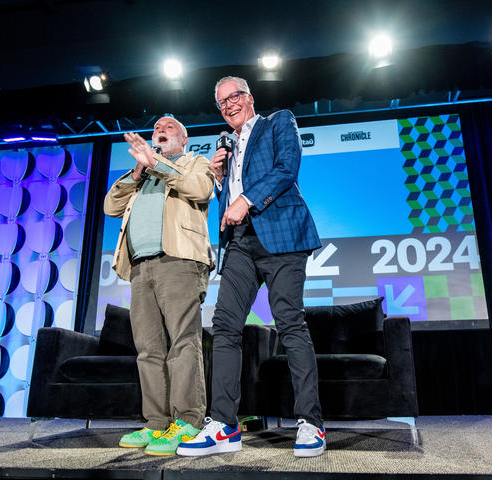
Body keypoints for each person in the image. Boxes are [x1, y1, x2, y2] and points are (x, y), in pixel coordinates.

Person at [177, 77, 326, 458]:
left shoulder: (278, 122)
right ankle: (225, 426)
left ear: (250, 98)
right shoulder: (224, 144)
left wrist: (244, 199)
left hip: (282, 236)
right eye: (221, 102)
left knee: (289, 322)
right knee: (225, 325)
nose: (228, 105)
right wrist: (221, 179)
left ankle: (311, 423)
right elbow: (227, 194)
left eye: (234, 97)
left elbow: (286, 168)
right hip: (240, 242)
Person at [104, 116, 215, 456]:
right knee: (148, 349)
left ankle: (188, 421)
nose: (160, 130)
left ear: (183, 139)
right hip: (140, 266)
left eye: (168, 127)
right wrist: (139, 171)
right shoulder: (141, 175)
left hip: (179, 260)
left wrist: (157, 163)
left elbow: (201, 189)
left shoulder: (194, 162)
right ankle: (156, 422)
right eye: (156, 129)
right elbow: (111, 206)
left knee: (183, 343)